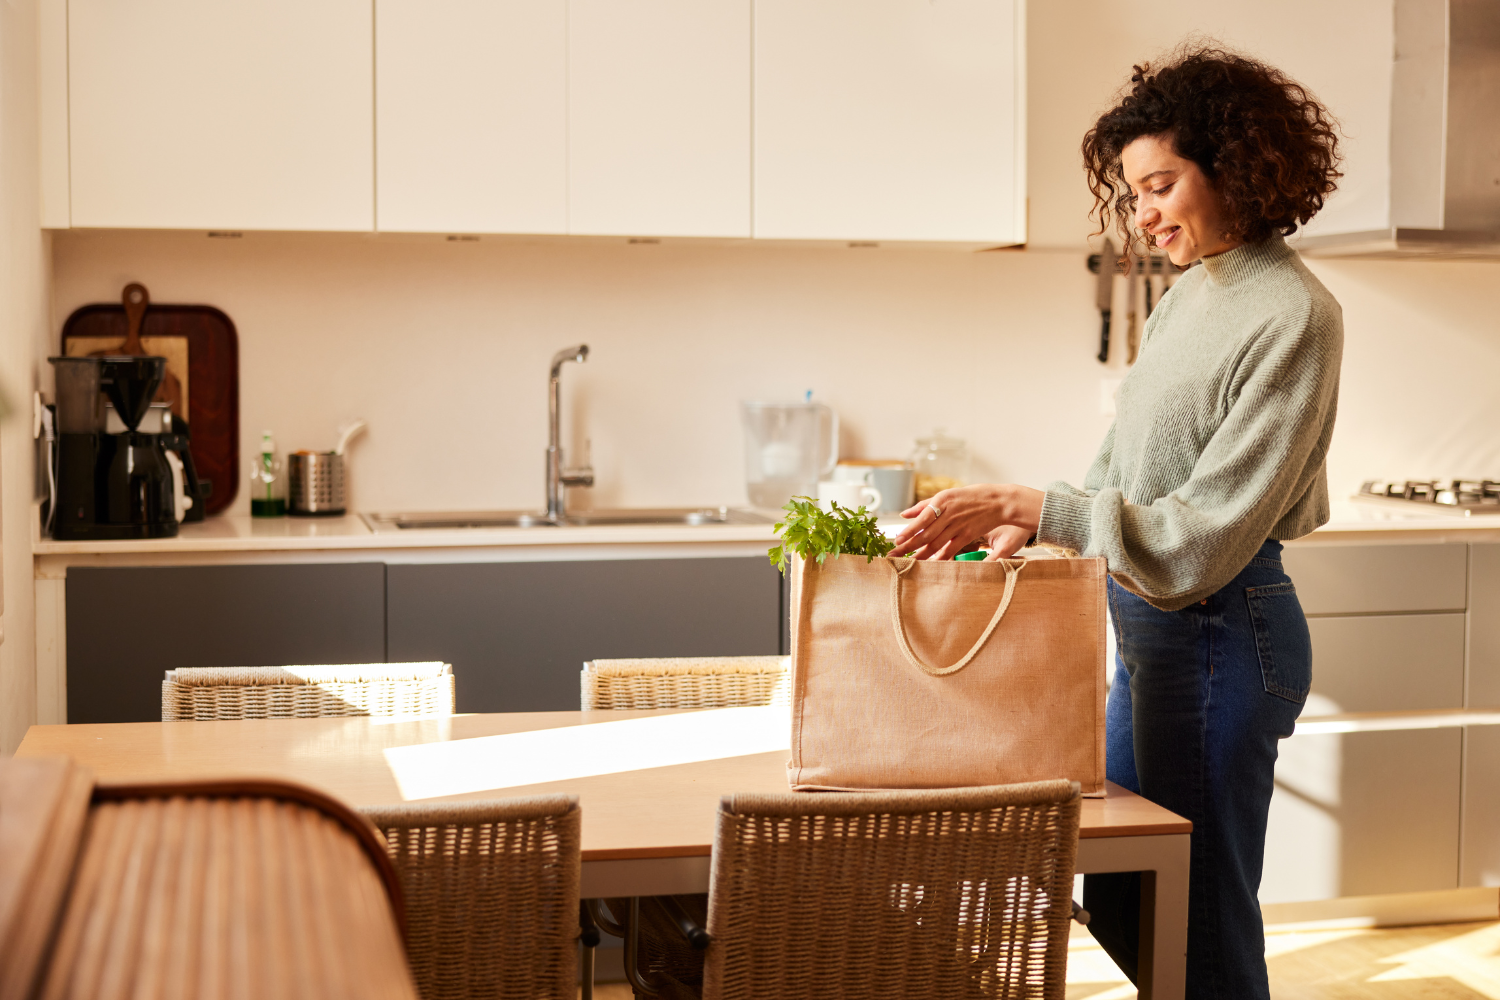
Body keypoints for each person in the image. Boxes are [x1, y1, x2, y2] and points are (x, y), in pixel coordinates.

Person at [888, 46, 1344, 999]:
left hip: (1223, 633)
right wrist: (1040, 526)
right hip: (1153, 638)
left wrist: (1030, 501)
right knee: (1134, 898)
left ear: (1238, 165)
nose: (1144, 215)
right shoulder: (1190, 298)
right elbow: (1123, 465)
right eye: (1134, 193)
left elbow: (1204, 540)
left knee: (1201, 924)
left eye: (1162, 185)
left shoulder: (1296, 313)